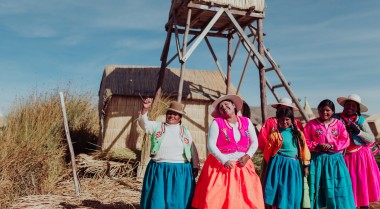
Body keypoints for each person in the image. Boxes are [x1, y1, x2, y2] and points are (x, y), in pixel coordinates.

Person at [192, 94, 264, 209]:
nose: (224, 107)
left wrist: (248, 156)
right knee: (219, 199)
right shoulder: (217, 123)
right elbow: (211, 145)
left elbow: (254, 142)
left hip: (243, 166)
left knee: (245, 198)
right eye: (221, 107)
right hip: (221, 167)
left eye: (226, 104)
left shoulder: (246, 122)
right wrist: (224, 160)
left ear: (234, 105)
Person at [138, 98, 200, 209]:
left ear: (180, 117)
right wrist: (145, 109)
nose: (172, 116)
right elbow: (144, 124)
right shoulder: (157, 126)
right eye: (170, 113)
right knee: (157, 200)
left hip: (180, 170)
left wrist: (195, 166)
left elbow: (192, 147)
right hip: (159, 169)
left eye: (176, 114)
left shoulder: (185, 131)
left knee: (177, 201)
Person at [304, 99, 355, 209]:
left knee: (338, 185)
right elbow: (305, 140)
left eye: (328, 110)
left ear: (333, 111)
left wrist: (332, 145)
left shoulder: (339, 124)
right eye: (321, 110)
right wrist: (317, 145)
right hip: (318, 160)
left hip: (335, 160)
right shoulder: (311, 124)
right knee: (317, 185)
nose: (324, 112)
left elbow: (345, 139)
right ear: (318, 110)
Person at [334, 94, 380, 208]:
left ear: (357, 108)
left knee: (361, 181)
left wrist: (358, 132)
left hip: (360, 155)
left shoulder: (360, 121)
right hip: (343, 155)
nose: (350, 107)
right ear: (344, 106)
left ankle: (363, 204)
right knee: (346, 182)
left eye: (353, 106)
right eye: (348, 104)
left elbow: (371, 138)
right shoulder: (336, 118)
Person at [262, 106, 311, 208]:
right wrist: (269, 165)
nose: (284, 122)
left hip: (294, 165)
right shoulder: (275, 134)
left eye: (287, 119)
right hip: (279, 165)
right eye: (282, 119)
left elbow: (304, 149)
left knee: (292, 188)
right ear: (278, 120)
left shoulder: (298, 134)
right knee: (280, 188)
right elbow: (268, 151)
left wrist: (306, 164)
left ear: (292, 120)